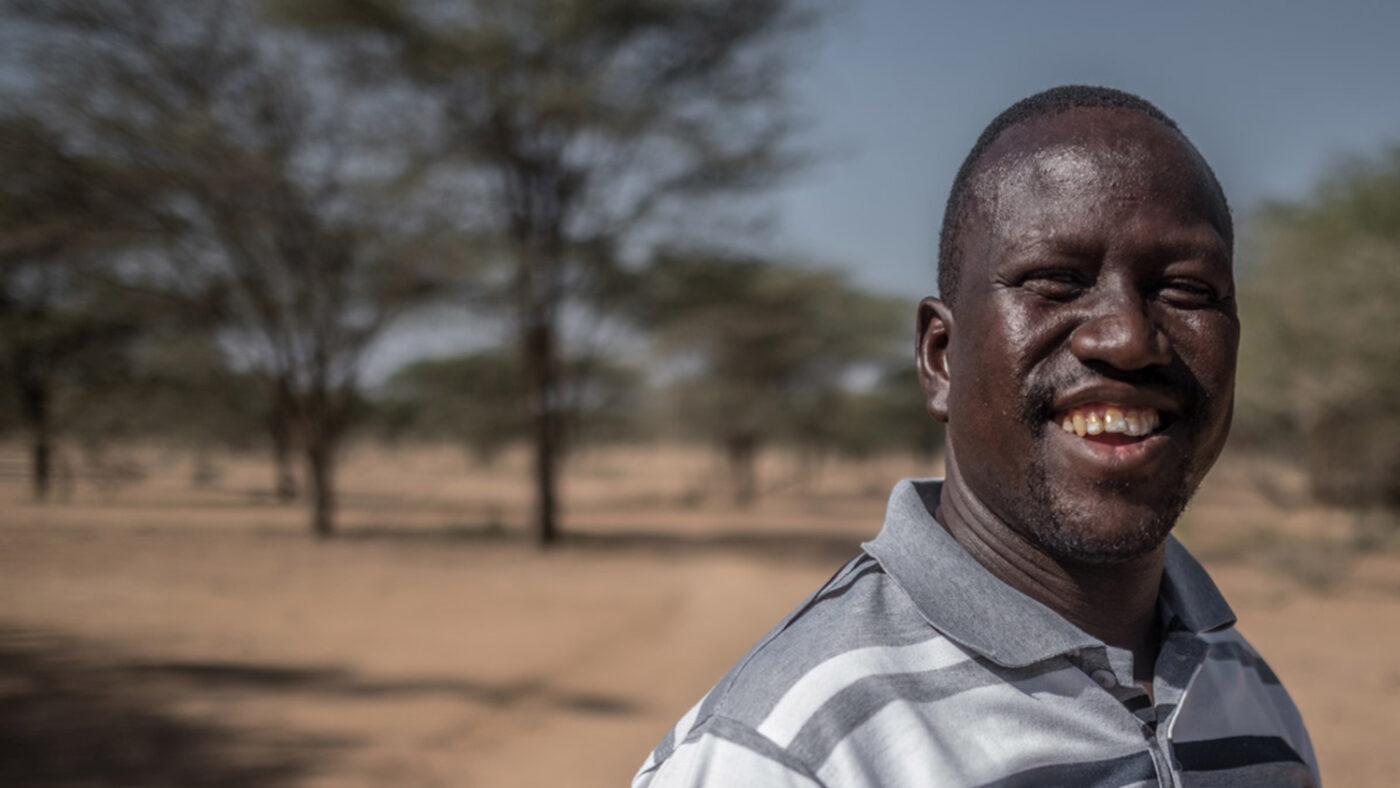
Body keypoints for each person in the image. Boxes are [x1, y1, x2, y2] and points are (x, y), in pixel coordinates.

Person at [633, 85, 1320, 787]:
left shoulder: (1247, 697)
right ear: (940, 357)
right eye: (1056, 280)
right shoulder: (792, 754)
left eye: (1186, 290)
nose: (1128, 337)